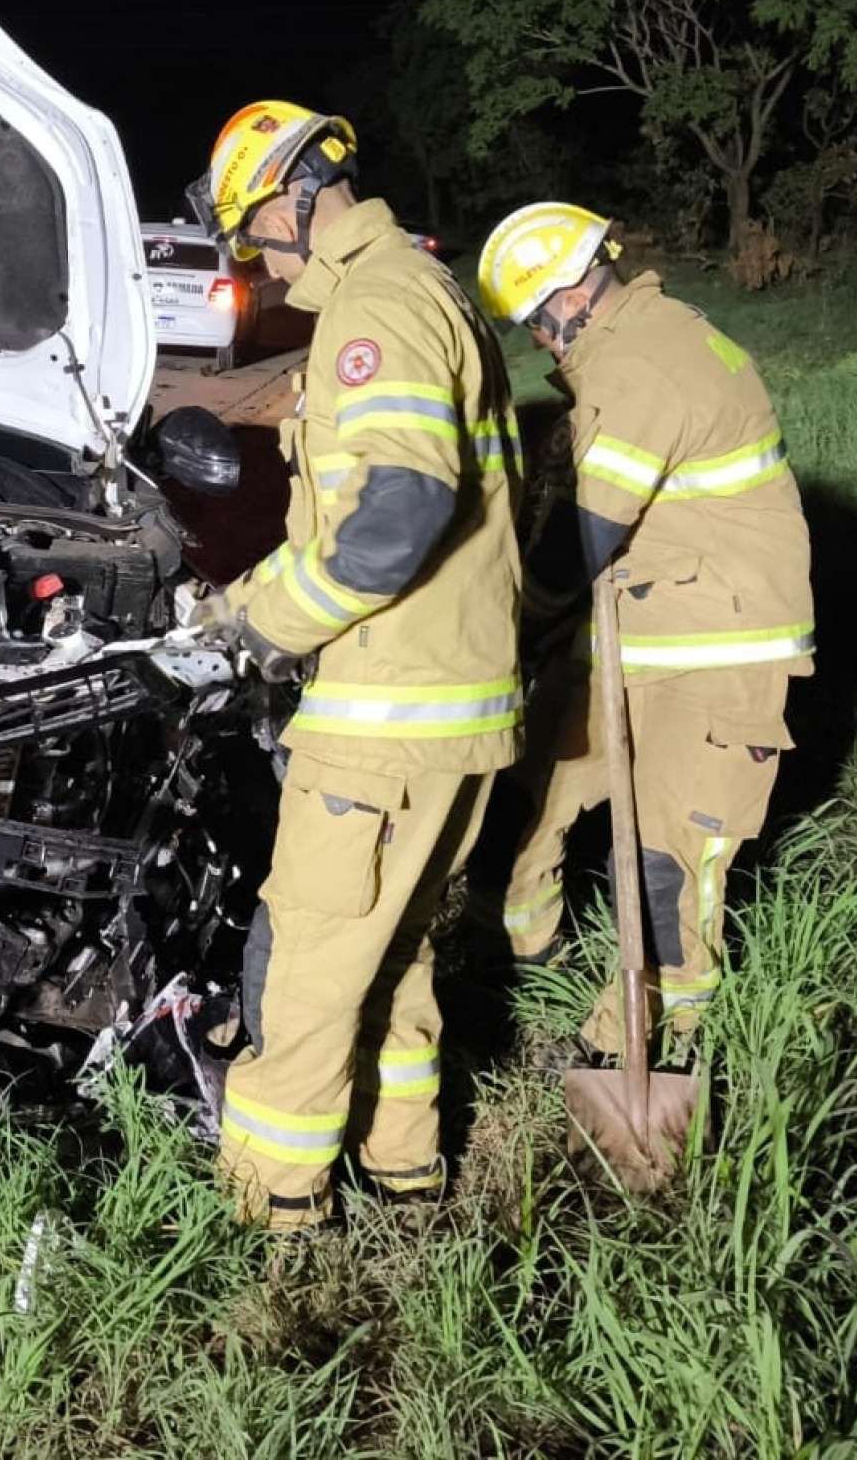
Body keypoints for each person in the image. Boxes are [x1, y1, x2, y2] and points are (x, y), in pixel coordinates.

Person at [184, 100, 524, 1230]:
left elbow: (395, 517)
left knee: (310, 966)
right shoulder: (424, 292)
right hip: (450, 707)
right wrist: (247, 597)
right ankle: (405, 1174)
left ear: (293, 199)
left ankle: (269, 1216)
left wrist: (256, 629)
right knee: (399, 957)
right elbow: (359, 508)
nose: (264, 268)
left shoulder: (377, 304)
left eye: (259, 240)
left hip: (385, 718)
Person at [472, 202, 813, 1052]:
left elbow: (584, 534)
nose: (542, 345)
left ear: (564, 301)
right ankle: (529, 960)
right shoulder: (644, 340)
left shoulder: (638, 369)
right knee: (537, 781)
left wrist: (506, 632)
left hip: (715, 652)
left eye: (534, 327)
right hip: (644, 626)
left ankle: (653, 1046)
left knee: (671, 859)